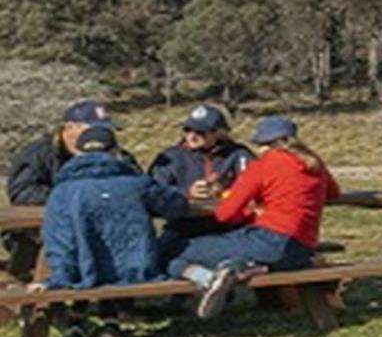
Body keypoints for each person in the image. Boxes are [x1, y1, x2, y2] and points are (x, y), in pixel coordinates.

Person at [166, 116, 340, 320]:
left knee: (174, 250)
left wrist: (251, 209)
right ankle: (236, 267)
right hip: (302, 249)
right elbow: (333, 193)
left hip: (269, 241)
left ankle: (208, 279)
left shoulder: (263, 166)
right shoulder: (314, 163)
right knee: (239, 251)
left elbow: (225, 214)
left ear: (265, 144)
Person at [39, 124, 189, 291]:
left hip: (87, 274)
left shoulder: (62, 191)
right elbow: (176, 205)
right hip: (139, 271)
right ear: (115, 151)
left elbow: (59, 240)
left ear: (77, 153)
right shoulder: (136, 184)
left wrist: (61, 277)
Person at [5, 100, 135, 282]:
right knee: (54, 237)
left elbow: (136, 185)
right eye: (92, 128)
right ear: (70, 128)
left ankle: (113, 299)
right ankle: (42, 299)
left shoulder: (115, 154)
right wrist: (70, 197)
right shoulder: (39, 154)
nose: (100, 134)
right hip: (44, 225)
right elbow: (22, 192)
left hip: (102, 224)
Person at [149, 104, 253, 263]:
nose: (192, 136)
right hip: (184, 228)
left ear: (219, 133)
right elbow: (154, 193)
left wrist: (224, 192)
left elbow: (254, 189)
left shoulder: (238, 154)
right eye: (188, 130)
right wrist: (186, 193)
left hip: (228, 229)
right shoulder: (171, 157)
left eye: (200, 132)